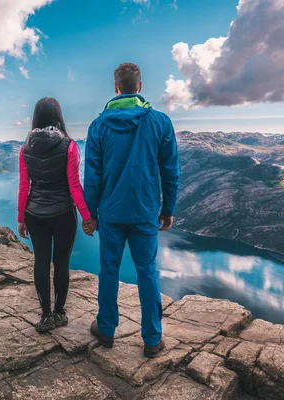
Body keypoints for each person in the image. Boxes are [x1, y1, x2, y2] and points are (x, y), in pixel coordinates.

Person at [84, 63, 180, 358]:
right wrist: (168, 209)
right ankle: (152, 339)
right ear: (140, 86)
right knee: (147, 273)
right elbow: (170, 171)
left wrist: (90, 215)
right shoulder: (160, 122)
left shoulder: (98, 126)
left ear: (116, 88)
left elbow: (92, 176)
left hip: (111, 214)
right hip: (145, 212)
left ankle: (106, 329)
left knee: (109, 271)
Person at [17, 97, 96, 333]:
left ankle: (45, 316)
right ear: (58, 116)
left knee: (41, 262)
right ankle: (60, 313)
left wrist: (21, 217)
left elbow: (24, 186)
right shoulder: (69, 145)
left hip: (35, 214)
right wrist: (87, 216)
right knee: (61, 262)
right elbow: (74, 185)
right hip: (63, 214)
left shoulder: (25, 148)